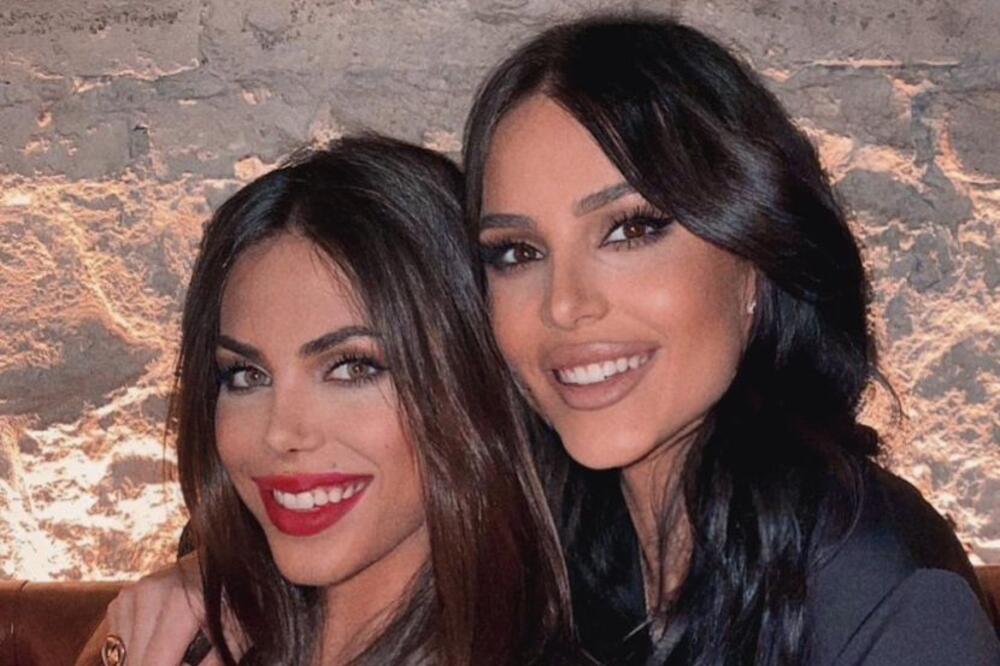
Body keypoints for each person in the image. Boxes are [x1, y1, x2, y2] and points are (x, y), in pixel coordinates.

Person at [463, 14, 1000, 665]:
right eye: (518, 252)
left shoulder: (882, 595)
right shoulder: (565, 566)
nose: (565, 305)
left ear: (754, 256)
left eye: (631, 230)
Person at [77, 136, 577, 666]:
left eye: (353, 367)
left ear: (468, 374)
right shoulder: (185, 629)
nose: (281, 433)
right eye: (246, 376)